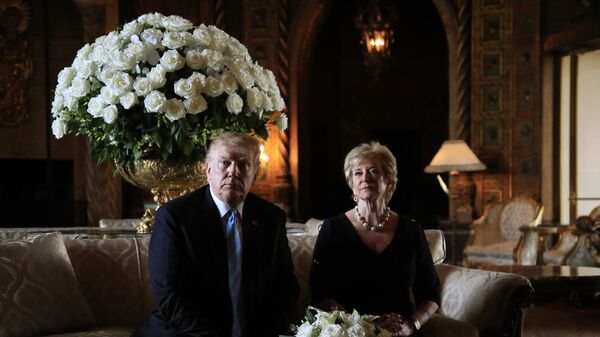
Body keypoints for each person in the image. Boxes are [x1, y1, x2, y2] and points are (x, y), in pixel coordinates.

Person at [133, 131, 299, 337]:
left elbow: (286, 289)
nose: (233, 172)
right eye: (224, 163)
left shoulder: (271, 218)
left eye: (243, 165)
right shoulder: (175, 217)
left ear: (255, 174)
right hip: (187, 332)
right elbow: (170, 297)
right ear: (208, 170)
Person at [309, 141, 440, 337]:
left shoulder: (411, 231)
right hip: (351, 332)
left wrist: (412, 325)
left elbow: (431, 294)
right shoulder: (333, 229)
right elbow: (320, 293)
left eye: (373, 171)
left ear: (389, 180)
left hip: (401, 333)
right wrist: (365, 325)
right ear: (351, 184)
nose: (365, 178)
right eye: (358, 173)